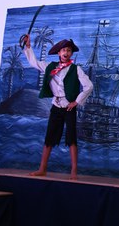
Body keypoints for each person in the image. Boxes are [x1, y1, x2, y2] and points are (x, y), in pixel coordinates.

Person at [23, 35, 93, 180]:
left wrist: (76, 102)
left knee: (71, 137)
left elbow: (89, 86)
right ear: (59, 53)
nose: (66, 53)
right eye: (63, 50)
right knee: (49, 136)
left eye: (68, 50)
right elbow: (34, 62)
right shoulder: (50, 67)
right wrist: (28, 46)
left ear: (71, 53)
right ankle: (42, 169)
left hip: (69, 107)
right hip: (56, 106)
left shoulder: (76, 69)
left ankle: (74, 171)